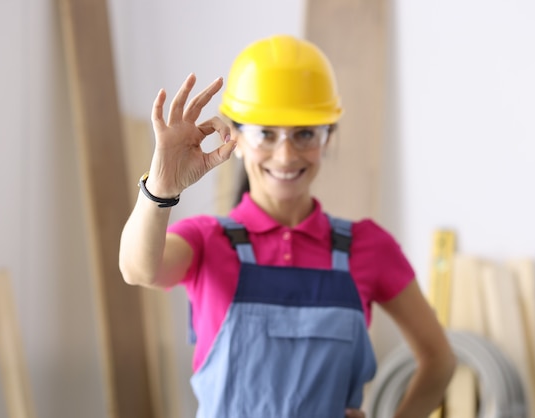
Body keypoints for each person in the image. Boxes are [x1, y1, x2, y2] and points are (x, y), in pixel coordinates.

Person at [119, 34, 455, 418]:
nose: (286, 154)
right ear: (236, 138)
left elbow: (439, 359)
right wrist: (160, 188)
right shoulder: (206, 240)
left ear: (327, 138)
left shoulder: (368, 247)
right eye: (266, 133)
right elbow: (137, 269)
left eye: (305, 134)